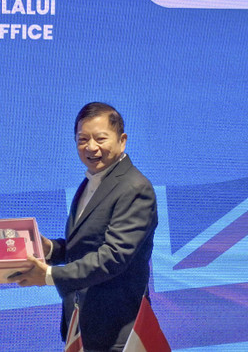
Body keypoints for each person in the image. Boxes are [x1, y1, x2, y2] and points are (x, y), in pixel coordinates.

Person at [13, 102, 158, 351]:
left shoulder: (135, 188)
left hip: (117, 332)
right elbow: (87, 244)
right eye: (82, 139)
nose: (91, 147)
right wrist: (50, 249)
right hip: (82, 325)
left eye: (100, 138)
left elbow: (112, 257)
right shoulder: (93, 181)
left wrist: (49, 275)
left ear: (122, 140)